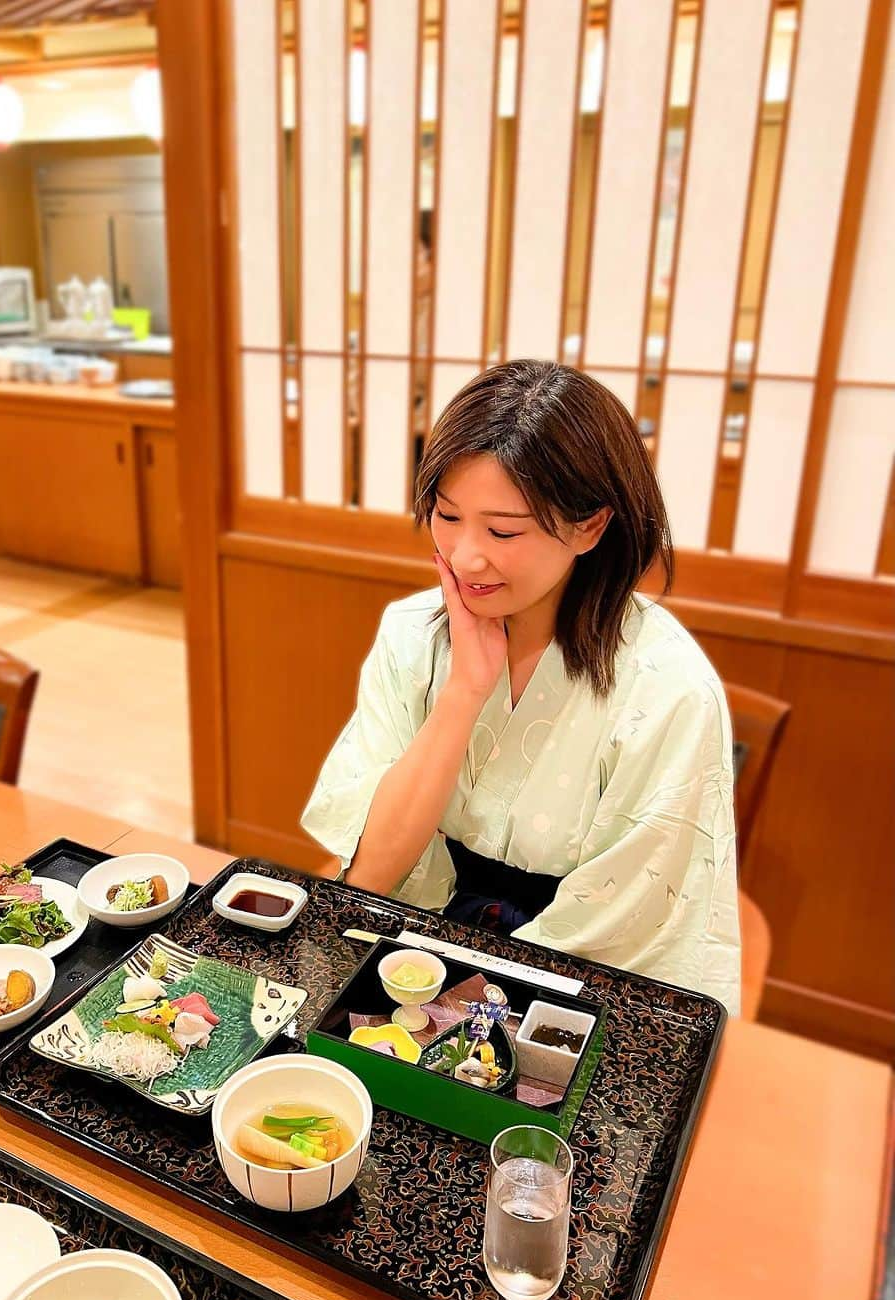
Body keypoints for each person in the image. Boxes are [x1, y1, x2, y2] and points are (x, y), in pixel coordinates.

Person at [302, 360, 741, 1013]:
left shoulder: (668, 689)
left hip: (570, 992)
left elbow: (627, 936)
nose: (465, 556)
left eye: (503, 530)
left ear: (590, 525)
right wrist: (463, 693)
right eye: (447, 516)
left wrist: (455, 1012)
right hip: (414, 953)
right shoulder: (412, 637)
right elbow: (368, 873)